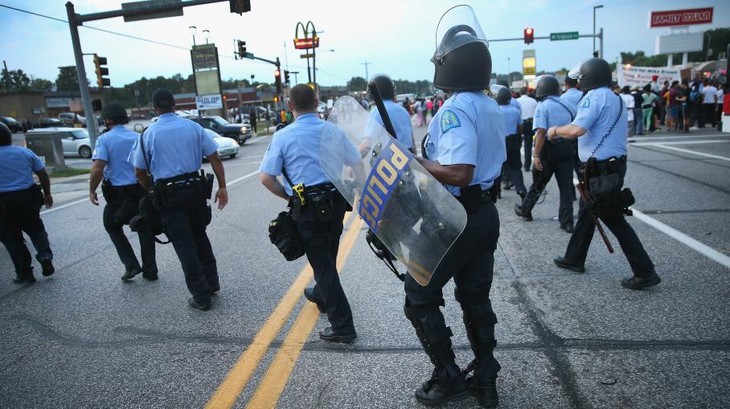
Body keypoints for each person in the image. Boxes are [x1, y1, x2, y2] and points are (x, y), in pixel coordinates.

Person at [405, 8, 505, 406]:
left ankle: (448, 377)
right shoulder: (488, 104)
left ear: (450, 66)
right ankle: (485, 376)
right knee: (475, 297)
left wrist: (415, 162)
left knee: (419, 294)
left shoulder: (456, 109)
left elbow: (459, 172)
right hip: (484, 215)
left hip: (458, 217)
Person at [547, 58, 661, 291]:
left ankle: (645, 271)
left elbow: (577, 129)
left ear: (587, 78)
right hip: (611, 166)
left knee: (613, 218)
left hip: (600, 169)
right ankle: (574, 257)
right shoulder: (614, 97)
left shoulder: (594, 97)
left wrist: (555, 130)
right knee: (588, 211)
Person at [259, 84, 360, 343]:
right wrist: (360, 191)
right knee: (329, 255)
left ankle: (343, 327)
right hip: (336, 202)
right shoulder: (333, 131)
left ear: (290, 106)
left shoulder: (283, 136)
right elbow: (357, 164)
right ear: (317, 103)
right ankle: (322, 295)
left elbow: (266, 178)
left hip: (308, 205)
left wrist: (289, 196)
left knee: (323, 264)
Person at [130, 88, 229, 311]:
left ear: (155, 108)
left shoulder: (147, 135)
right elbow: (214, 157)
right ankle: (212, 283)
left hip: (168, 194)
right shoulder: (193, 127)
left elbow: (139, 172)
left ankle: (200, 296)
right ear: (175, 105)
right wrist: (222, 187)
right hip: (195, 190)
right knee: (200, 236)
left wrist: (152, 191)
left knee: (184, 244)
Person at [89, 102, 158, 282]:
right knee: (144, 227)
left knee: (112, 226)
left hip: (118, 194)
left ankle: (131, 265)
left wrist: (92, 190)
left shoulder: (104, 140)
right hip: (141, 189)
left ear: (108, 120)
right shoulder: (138, 137)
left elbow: (97, 169)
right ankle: (150, 270)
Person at [514, 75, 577, 233]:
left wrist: (536, 156)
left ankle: (526, 210)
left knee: (539, 183)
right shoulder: (568, 104)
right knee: (566, 188)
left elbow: (541, 132)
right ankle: (567, 222)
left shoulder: (543, 106)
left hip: (549, 150)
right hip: (567, 148)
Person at [0, 122, 55, 283]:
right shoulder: (24, 153)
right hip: (28, 198)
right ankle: (44, 255)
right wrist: (48, 194)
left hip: (4, 203)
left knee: (11, 238)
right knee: (36, 229)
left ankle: (24, 272)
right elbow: (43, 174)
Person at [364, 74, 416, 154]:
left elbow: (367, 143)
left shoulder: (376, 112)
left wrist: (354, 161)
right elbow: (412, 141)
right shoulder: (403, 110)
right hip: (408, 156)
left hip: (390, 159)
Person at [497, 87, 526, 199]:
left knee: (499, 166)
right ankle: (521, 189)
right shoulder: (515, 110)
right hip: (513, 140)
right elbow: (520, 128)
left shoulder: (496, 110)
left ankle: (497, 191)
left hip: (500, 140)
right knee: (515, 167)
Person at [516, 87, 538, 171]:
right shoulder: (533, 101)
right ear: (527, 92)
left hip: (521, 124)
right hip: (531, 123)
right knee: (532, 144)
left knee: (523, 145)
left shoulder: (517, 101)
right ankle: (531, 164)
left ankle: (522, 164)